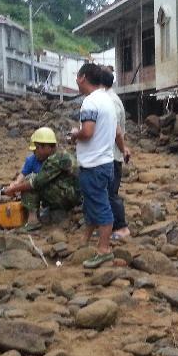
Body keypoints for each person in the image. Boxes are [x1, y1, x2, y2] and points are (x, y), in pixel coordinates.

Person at [69, 63, 120, 268]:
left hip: (93, 164)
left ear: (82, 77)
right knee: (92, 203)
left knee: (100, 206)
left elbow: (88, 132)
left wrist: (74, 135)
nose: (76, 81)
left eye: (76, 77)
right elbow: (116, 132)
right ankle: (86, 240)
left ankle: (104, 249)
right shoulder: (108, 100)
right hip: (105, 162)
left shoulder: (90, 102)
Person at [3, 128, 80, 231]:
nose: (35, 152)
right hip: (73, 195)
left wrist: (13, 189)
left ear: (47, 147)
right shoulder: (61, 155)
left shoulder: (55, 160)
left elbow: (35, 182)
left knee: (31, 181)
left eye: (37, 148)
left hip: (70, 197)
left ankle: (33, 221)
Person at [100, 67, 131, 241]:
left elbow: (116, 132)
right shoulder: (112, 98)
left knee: (111, 193)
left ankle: (122, 227)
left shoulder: (109, 101)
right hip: (112, 154)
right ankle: (111, 225)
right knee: (109, 192)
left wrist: (122, 148)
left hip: (111, 155)